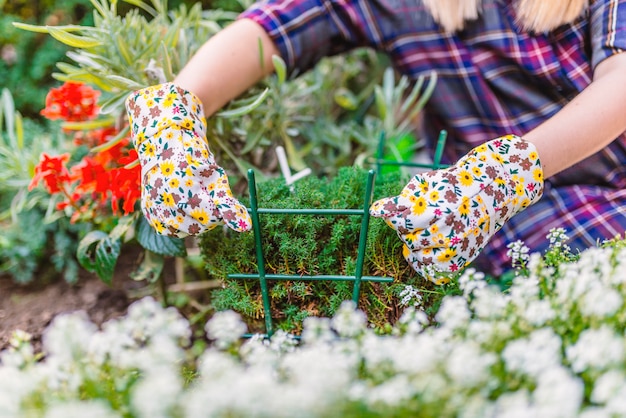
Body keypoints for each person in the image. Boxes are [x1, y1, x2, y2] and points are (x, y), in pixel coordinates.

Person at [125, 0, 626, 282]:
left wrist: (501, 176)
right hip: (515, 217)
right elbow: (271, 29)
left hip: (594, 183)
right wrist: (174, 116)